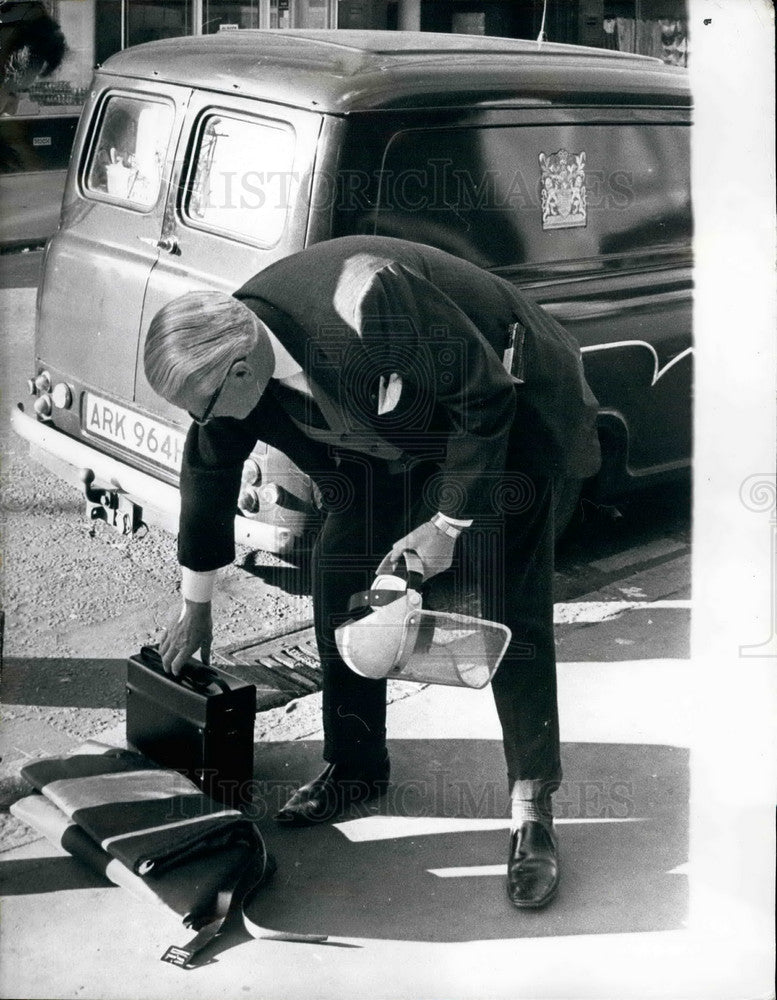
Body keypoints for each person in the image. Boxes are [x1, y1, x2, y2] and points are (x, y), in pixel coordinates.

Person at [145, 235, 601, 909]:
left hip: (505, 414)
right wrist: (197, 603)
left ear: (243, 369)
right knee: (337, 585)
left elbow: (483, 402)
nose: (201, 422)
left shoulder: (370, 297)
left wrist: (445, 529)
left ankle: (531, 807)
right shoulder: (231, 363)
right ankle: (356, 766)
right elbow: (208, 468)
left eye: (202, 406)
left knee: (510, 614)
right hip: (388, 441)